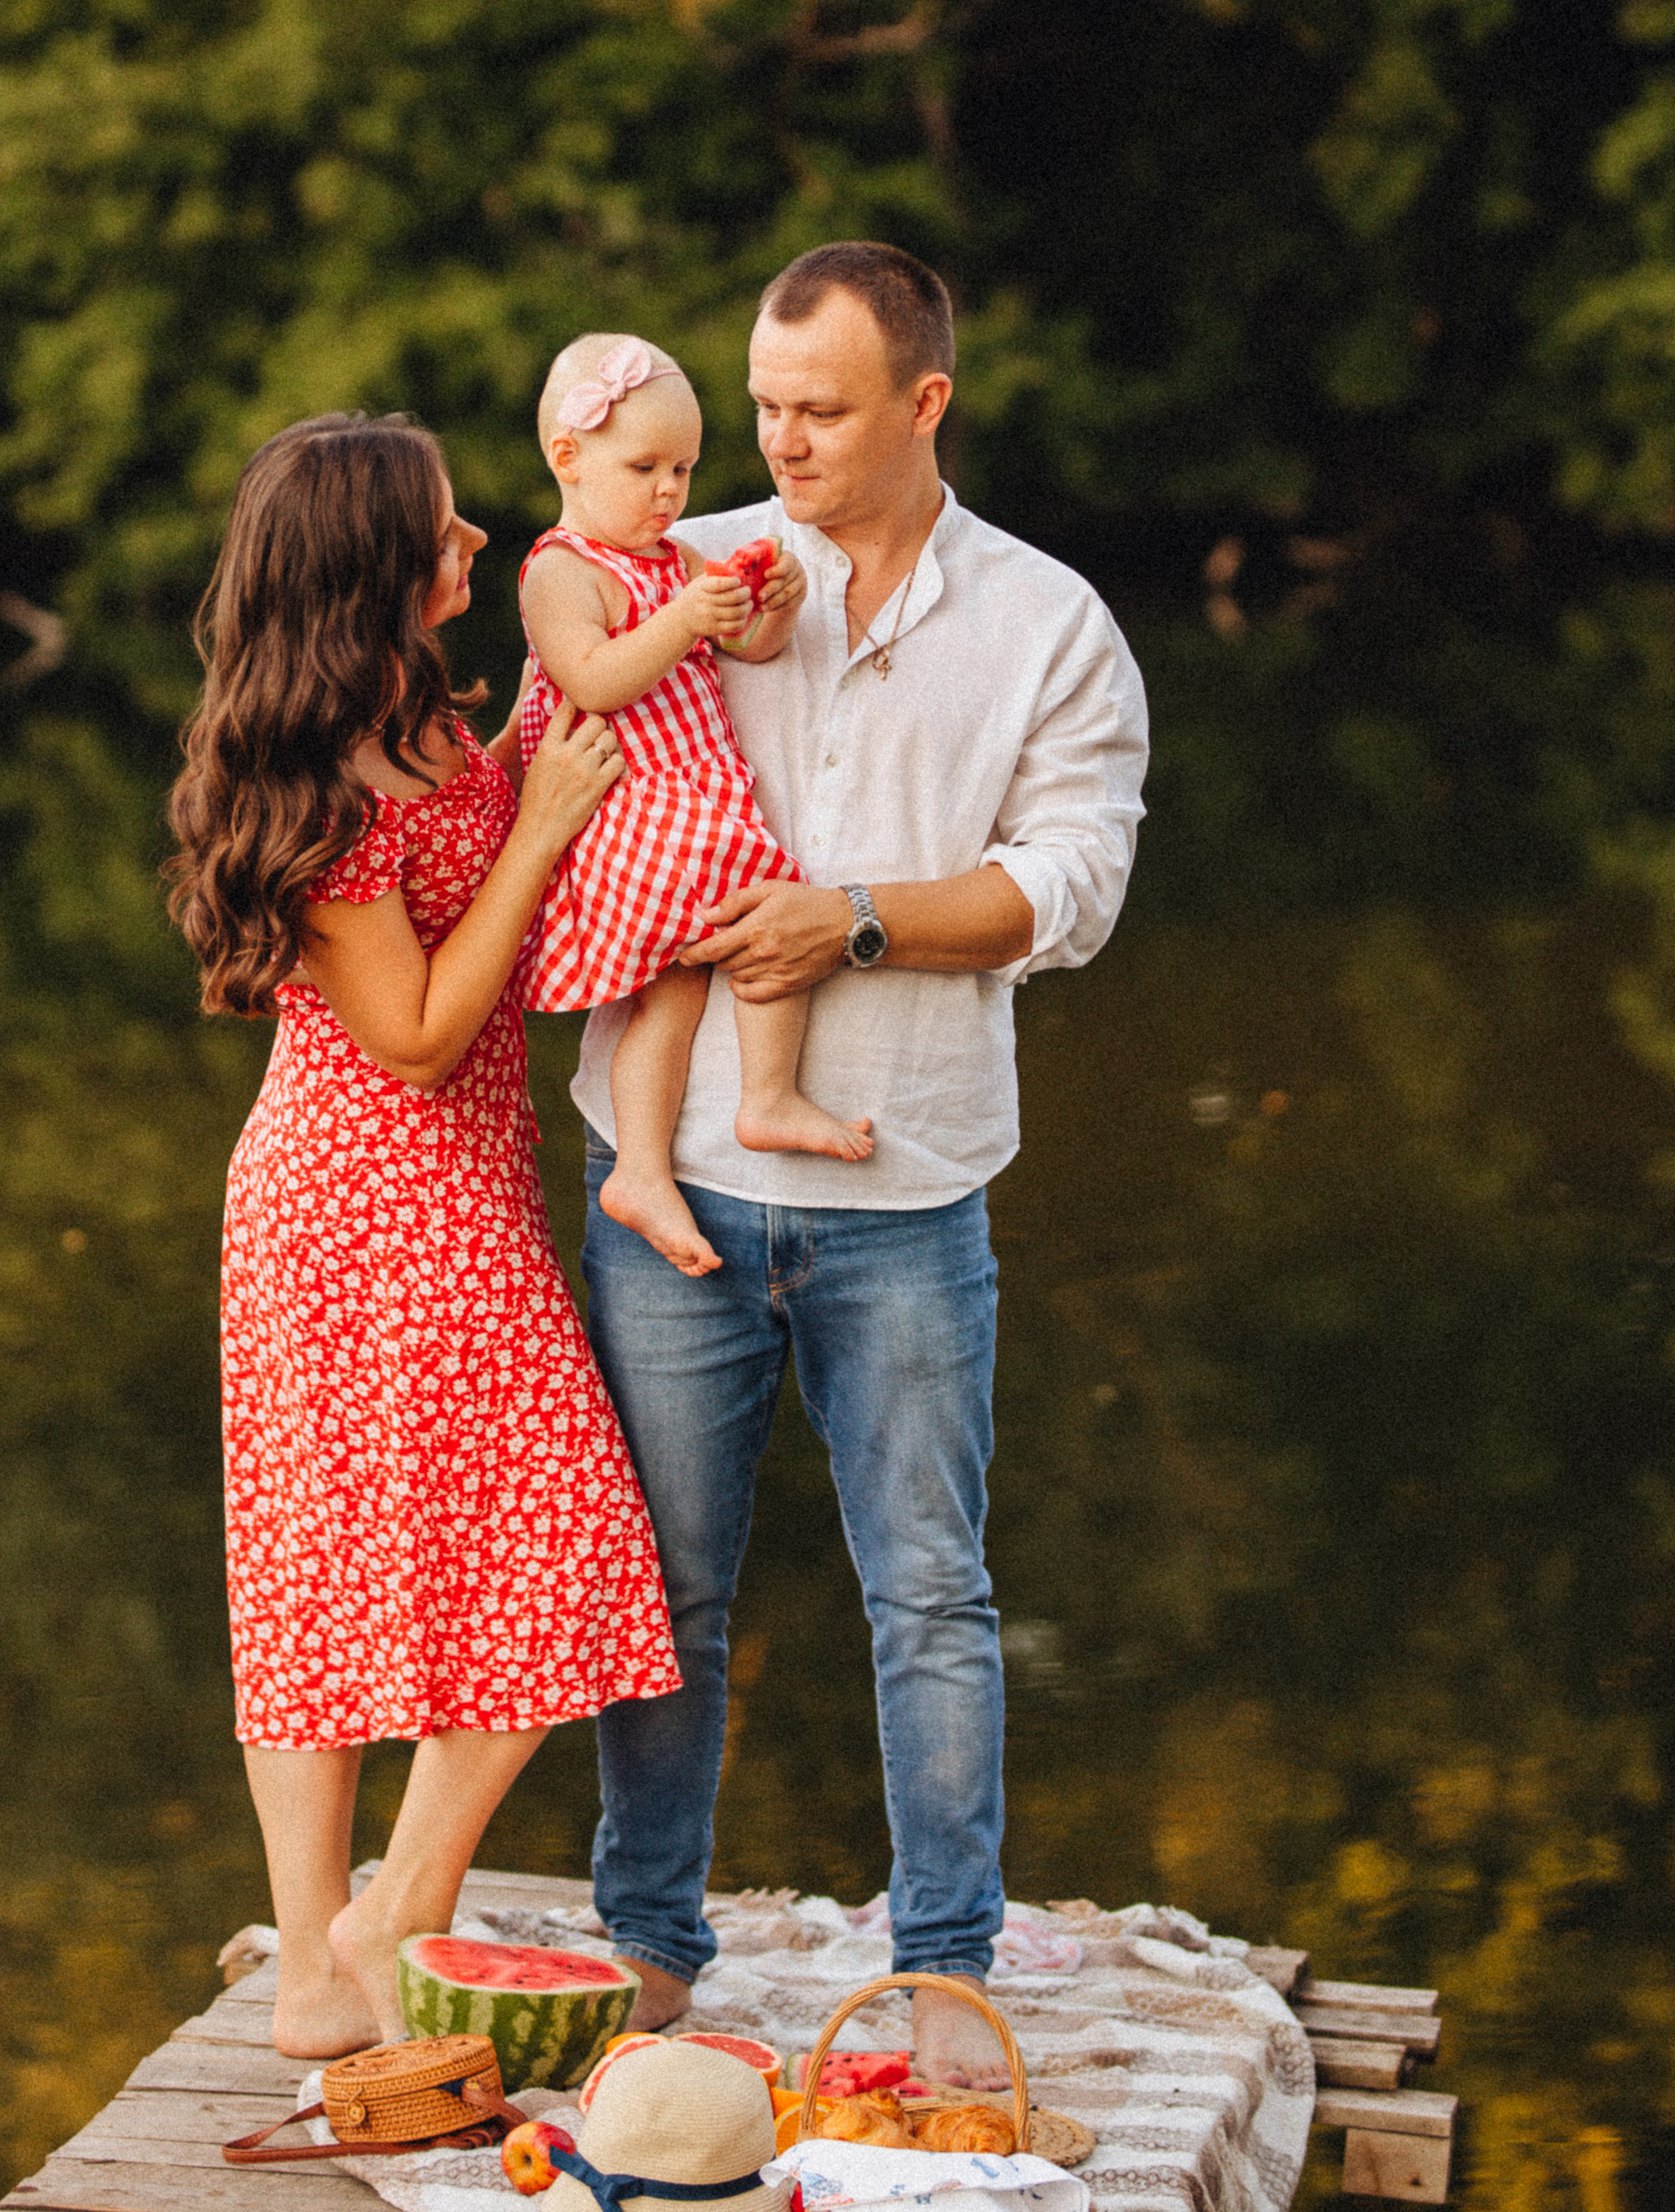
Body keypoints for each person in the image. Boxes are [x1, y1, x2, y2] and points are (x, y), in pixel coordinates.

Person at [571, 247, 1148, 2086]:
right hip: (667, 1185)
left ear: (924, 403)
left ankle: (943, 1965)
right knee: (663, 1590)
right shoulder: (686, 569)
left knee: (931, 1596)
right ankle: (649, 1945)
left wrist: (860, 921)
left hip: (907, 1194)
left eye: (819, 410)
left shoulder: (1048, 622)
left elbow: (1075, 887)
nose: (780, 443)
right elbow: (557, 734)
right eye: (762, 406)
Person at [168, 411, 681, 2060]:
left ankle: (350, 1952)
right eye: (449, 531)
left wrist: (537, 749)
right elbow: (413, 1034)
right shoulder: (313, 783)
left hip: (449, 1188)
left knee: (422, 1559)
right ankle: (372, 1927)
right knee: (534, 1541)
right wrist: (540, 827)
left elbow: (493, 870)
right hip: (362, 1196)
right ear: (371, 567)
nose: (476, 545)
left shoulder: (424, 720)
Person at [517, 331, 870, 1283]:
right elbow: (591, 679)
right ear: (568, 458)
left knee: (672, 995)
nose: (669, 492)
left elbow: (748, 650)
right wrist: (681, 619)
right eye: (645, 468)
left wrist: (774, 605)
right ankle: (766, 1097)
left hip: (694, 800)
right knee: (769, 908)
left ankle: (646, 1165)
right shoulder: (561, 570)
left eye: (682, 469)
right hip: (637, 813)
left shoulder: (673, 558)